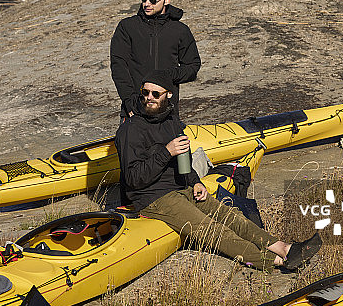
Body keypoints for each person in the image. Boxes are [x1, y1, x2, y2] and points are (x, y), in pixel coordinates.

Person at [115, 70, 321, 271]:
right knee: (212, 230)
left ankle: (284, 248)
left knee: (230, 216)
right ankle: (275, 261)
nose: (149, 98)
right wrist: (166, 152)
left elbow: (184, 160)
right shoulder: (130, 130)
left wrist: (195, 181)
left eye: (155, 94)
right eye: (145, 93)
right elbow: (133, 179)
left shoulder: (171, 121)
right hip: (153, 198)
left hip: (181, 188)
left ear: (168, 95)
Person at [110, 0, 201, 119]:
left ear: (167, 0)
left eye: (153, 0)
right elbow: (118, 67)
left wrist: (168, 76)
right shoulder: (127, 27)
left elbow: (193, 67)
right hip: (134, 110)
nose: (147, 4)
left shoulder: (180, 31)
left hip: (168, 112)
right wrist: (129, 101)